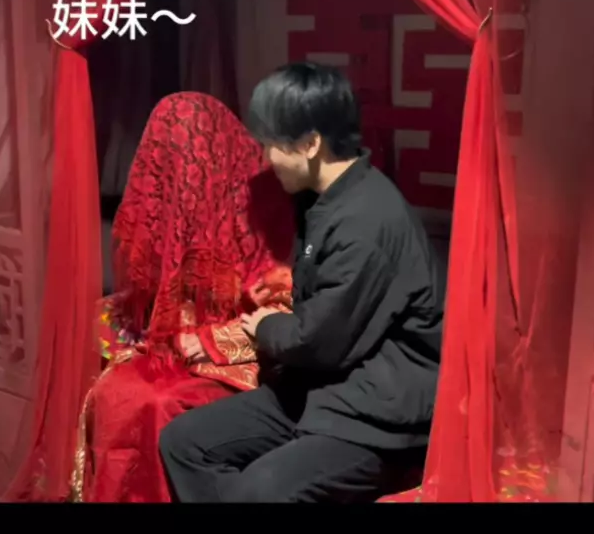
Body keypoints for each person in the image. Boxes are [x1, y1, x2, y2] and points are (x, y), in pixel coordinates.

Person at [159, 62, 443, 503]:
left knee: (258, 491)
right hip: (323, 387)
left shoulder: (367, 219)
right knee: (184, 443)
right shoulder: (330, 198)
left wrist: (264, 327)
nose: (265, 158)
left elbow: (317, 341)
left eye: (271, 145)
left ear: (310, 144)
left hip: (376, 412)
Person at [71, 92, 296, 503]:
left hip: (245, 350)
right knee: (107, 381)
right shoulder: (166, 197)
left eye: (189, 153)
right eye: (166, 154)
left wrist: (213, 339)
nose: (180, 168)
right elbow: (154, 281)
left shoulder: (262, 201)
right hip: (178, 337)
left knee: (156, 402)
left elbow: (291, 307)